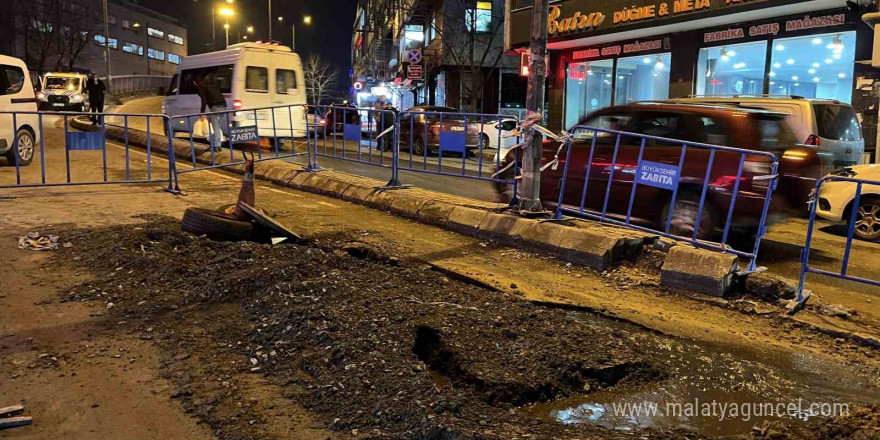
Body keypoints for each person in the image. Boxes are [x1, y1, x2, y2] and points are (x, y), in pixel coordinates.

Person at [194, 74, 227, 150]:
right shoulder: (211, 85)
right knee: (215, 125)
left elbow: (204, 100)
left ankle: (216, 145)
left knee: (215, 126)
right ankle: (215, 143)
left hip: (215, 107)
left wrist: (202, 113)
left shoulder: (201, 87)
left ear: (195, 82)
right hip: (223, 105)